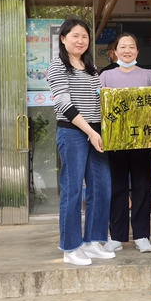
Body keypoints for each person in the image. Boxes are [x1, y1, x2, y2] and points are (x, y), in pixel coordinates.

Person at [47, 18, 116, 267]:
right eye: (75, 36)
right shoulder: (57, 66)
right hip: (73, 132)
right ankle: (71, 247)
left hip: (96, 132)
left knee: (101, 187)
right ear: (63, 38)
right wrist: (89, 131)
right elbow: (64, 104)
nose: (80, 40)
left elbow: (99, 101)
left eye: (84, 36)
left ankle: (93, 241)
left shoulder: (91, 67)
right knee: (73, 190)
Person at [100, 33, 151, 253]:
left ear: (137, 51)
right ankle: (116, 236)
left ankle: (142, 236)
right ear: (115, 51)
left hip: (143, 142)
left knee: (143, 188)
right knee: (117, 189)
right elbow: (100, 108)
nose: (127, 51)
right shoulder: (106, 76)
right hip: (115, 143)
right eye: (123, 47)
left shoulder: (148, 75)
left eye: (131, 46)